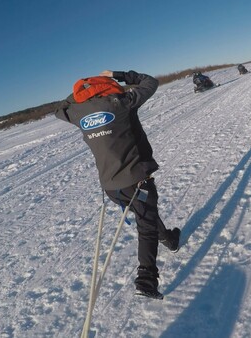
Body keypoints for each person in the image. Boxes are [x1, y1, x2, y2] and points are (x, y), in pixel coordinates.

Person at [54, 70, 180, 299]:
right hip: (136, 180)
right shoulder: (122, 103)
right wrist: (118, 74)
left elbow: (59, 108)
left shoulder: (76, 112)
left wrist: (83, 88)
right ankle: (147, 279)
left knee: (145, 216)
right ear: (109, 87)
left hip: (112, 188)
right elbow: (150, 82)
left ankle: (169, 239)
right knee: (146, 226)